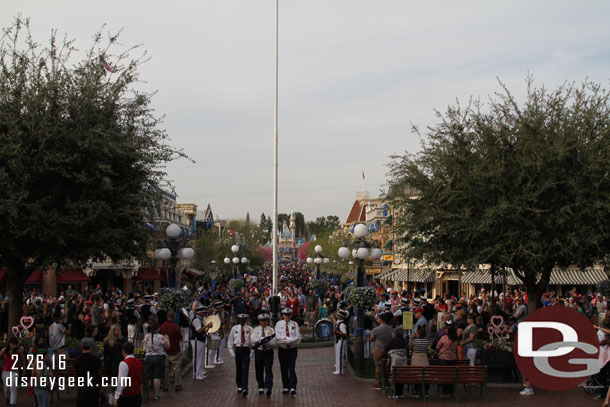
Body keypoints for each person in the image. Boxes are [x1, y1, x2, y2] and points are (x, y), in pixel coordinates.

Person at [275, 308, 301, 396]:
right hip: (282, 349)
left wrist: (291, 341)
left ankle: (293, 387)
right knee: (283, 368)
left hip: (292, 349)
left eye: (289, 315)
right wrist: (287, 340)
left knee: (291, 367)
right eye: (285, 315)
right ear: (283, 315)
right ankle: (285, 386)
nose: (287, 316)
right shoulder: (279, 324)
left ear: (291, 315)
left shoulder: (294, 324)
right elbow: (277, 337)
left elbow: (298, 337)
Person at [142, 315, 169, 401]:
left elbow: (144, 348)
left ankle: (146, 393)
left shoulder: (147, 336)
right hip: (159, 357)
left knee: (148, 376)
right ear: (158, 328)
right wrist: (167, 339)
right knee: (157, 376)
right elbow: (167, 346)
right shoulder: (161, 337)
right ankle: (156, 394)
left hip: (149, 357)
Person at [250, 313, 276, 397]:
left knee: (268, 369)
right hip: (259, 351)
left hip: (268, 351)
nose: (263, 322)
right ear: (259, 321)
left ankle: (268, 387)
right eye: (261, 321)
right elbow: (253, 339)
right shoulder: (256, 330)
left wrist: (266, 341)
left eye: (265, 321)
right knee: (259, 369)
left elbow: (274, 342)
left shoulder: (271, 330)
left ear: (268, 321)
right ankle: (261, 385)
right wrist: (260, 340)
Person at [228, 313, 253, 396]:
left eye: (244, 320)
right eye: (240, 320)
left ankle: (245, 387)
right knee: (239, 368)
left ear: (246, 320)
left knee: (245, 368)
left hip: (246, 349)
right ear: (238, 320)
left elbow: (253, 342)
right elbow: (230, 340)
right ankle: (239, 385)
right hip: (238, 349)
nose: (242, 321)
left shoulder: (250, 329)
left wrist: (251, 352)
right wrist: (231, 351)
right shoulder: (234, 328)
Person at [159, 310, 183, 392]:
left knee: (166, 369)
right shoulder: (176, 326)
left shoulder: (162, 326)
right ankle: (177, 384)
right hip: (175, 349)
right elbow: (180, 337)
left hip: (165, 351)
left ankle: (166, 385)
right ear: (174, 317)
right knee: (176, 368)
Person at [114, 341, 143, 407]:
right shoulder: (139, 362)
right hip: (137, 393)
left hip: (127, 395)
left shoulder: (124, 363)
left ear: (123, 351)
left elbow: (121, 382)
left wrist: (116, 396)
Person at [74, 337, 101, 407]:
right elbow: (98, 371)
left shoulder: (77, 359)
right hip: (93, 386)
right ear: (91, 347)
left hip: (82, 387)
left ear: (81, 347)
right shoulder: (95, 359)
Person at [370, 312, 393, 390]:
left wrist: (376, 339)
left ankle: (378, 383)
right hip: (387, 349)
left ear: (381, 320)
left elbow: (371, 339)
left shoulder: (377, 329)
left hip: (378, 349)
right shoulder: (389, 329)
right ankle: (386, 382)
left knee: (378, 366)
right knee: (386, 366)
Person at [436, 322, 459, 397]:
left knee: (444, 375)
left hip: (444, 358)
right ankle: (451, 391)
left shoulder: (444, 338)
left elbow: (437, 347)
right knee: (451, 375)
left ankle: (445, 392)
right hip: (453, 358)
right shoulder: (456, 339)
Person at [191, 305, 212, 380]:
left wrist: (206, 333)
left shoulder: (200, 319)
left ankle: (199, 372)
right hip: (197, 340)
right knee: (197, 357)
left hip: (201, 339)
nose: (204, 314)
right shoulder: (196, 320)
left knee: (201, 357)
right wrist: (207, 326)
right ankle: (196, 374)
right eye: (203, 312)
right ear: (199, 312)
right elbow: (199, 330)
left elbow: (202, 330)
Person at [0, 337, 23, 407]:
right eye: (13, 344)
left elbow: (23, 359)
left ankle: (13, 402)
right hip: (5, 371)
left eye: (15, 344)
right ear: (9, 344)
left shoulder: (18, 351)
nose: (14, 346)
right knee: (6, 388)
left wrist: (24, 369)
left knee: (13, 387)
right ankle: (7, 397)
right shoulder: (4, 350)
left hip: (15, 371)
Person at [333, 310, 348, 375]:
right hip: (339, 340)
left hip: (341, 340)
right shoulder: (340, 323)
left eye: (339, 315)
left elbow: (344, 334)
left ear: (342, 317)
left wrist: (337, 332)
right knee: (338, 355)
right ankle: (338, 369)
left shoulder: (342, 324)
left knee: (340, 355)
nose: (338, 316)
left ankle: (340, 370)